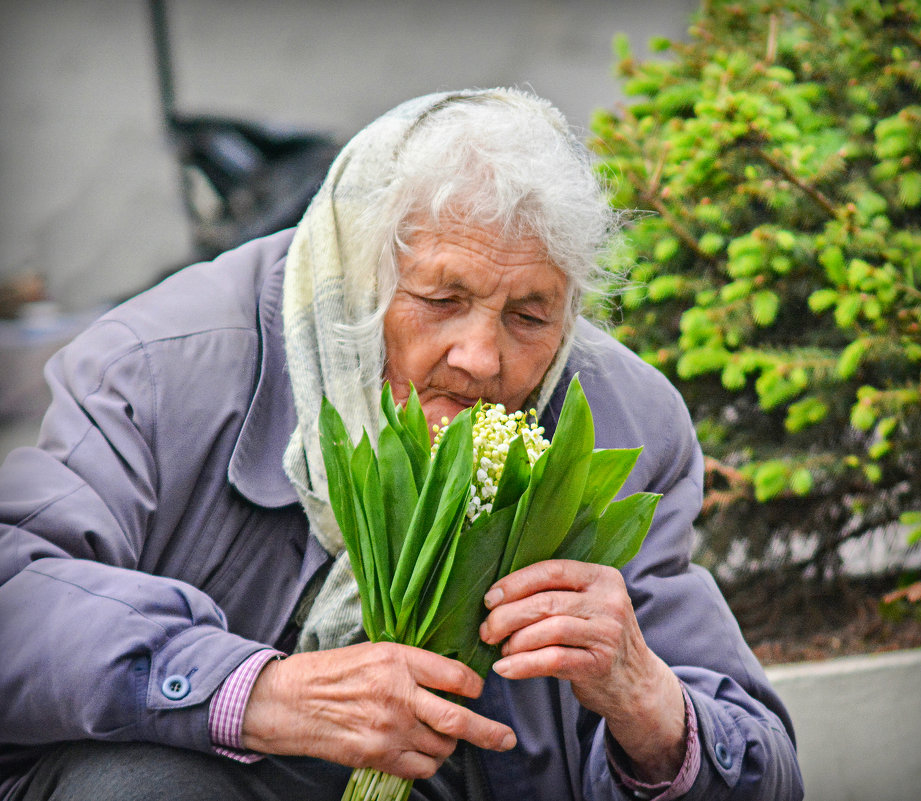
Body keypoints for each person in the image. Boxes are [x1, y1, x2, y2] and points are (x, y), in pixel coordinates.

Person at [0, 88, 803, 801]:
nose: (482, 359)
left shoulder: (623, 417)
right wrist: (256, 693)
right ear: (361, 274)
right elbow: (19, 598)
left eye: (530, 316)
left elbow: (765, 765)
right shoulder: (159, 366)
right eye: (441, 297)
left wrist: (649, 703)